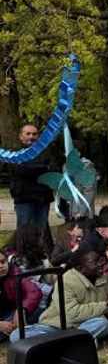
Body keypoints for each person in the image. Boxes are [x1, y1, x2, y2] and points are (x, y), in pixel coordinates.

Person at [10, 250, 108, 342]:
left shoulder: (102, 279)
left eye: (101, 260)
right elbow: (71, 314)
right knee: (17, 335)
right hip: (56, 326)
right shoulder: (66, 280)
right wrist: (106, 306)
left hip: (84, 324)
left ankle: (60, 344)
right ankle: (76, 342)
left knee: (103, 323)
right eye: (95, 262)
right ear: (81, 268)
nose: (101, 264)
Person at [9, 123, 56, 252]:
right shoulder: (15, 154)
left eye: (34, 134)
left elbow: (54, 169)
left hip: (42, 199)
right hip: (25, 199)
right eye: (28, 134)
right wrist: (43, 167)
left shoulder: (45, 152)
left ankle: (38, 258)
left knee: (40, 232)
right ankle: (21, 256)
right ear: (21, 136)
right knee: (23, 231)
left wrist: (39, 167)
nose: (31, 137)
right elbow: (21, 170)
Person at [3, 224, 54, 317]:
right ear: (33, 240)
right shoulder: (11, 260)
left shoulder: (40, 256)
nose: (42, 241)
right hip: (25, 304)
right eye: (40, 238)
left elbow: (50, 276)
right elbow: (29, 286)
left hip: (34, 300)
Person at [0, 250, 44, 343]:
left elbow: (34, 291)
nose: (1, 266)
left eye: (3, 262)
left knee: (38, 309)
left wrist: (22, 309)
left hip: (13, 314)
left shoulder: (15, 274)